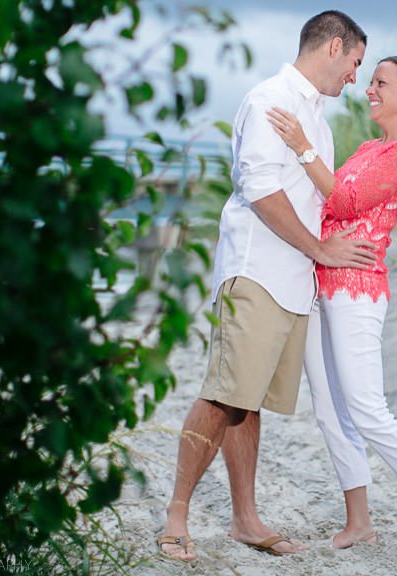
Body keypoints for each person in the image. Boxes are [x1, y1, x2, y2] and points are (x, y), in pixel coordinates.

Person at [156, 11, 374, 561]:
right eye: (354, 63)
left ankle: (245, 520)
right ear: (333, 46)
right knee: (223, 393)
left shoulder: (317, 121)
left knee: (245, 402)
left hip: (293, 282)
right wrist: (321, 249)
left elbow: (321, 197)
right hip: (255, 271)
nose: (354, 77)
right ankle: (175, 517)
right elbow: (259, 189)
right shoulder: (270, 99)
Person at [266, 55, 397, 554]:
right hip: (321, 284)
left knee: (366, 409)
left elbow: (342, 201)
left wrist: (301, 146)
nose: (369, 90)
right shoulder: (369, 146)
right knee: (330, 410)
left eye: (380, 82)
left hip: (358, 291)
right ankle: (359, 522)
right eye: (370, 82)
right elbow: (328, 204)